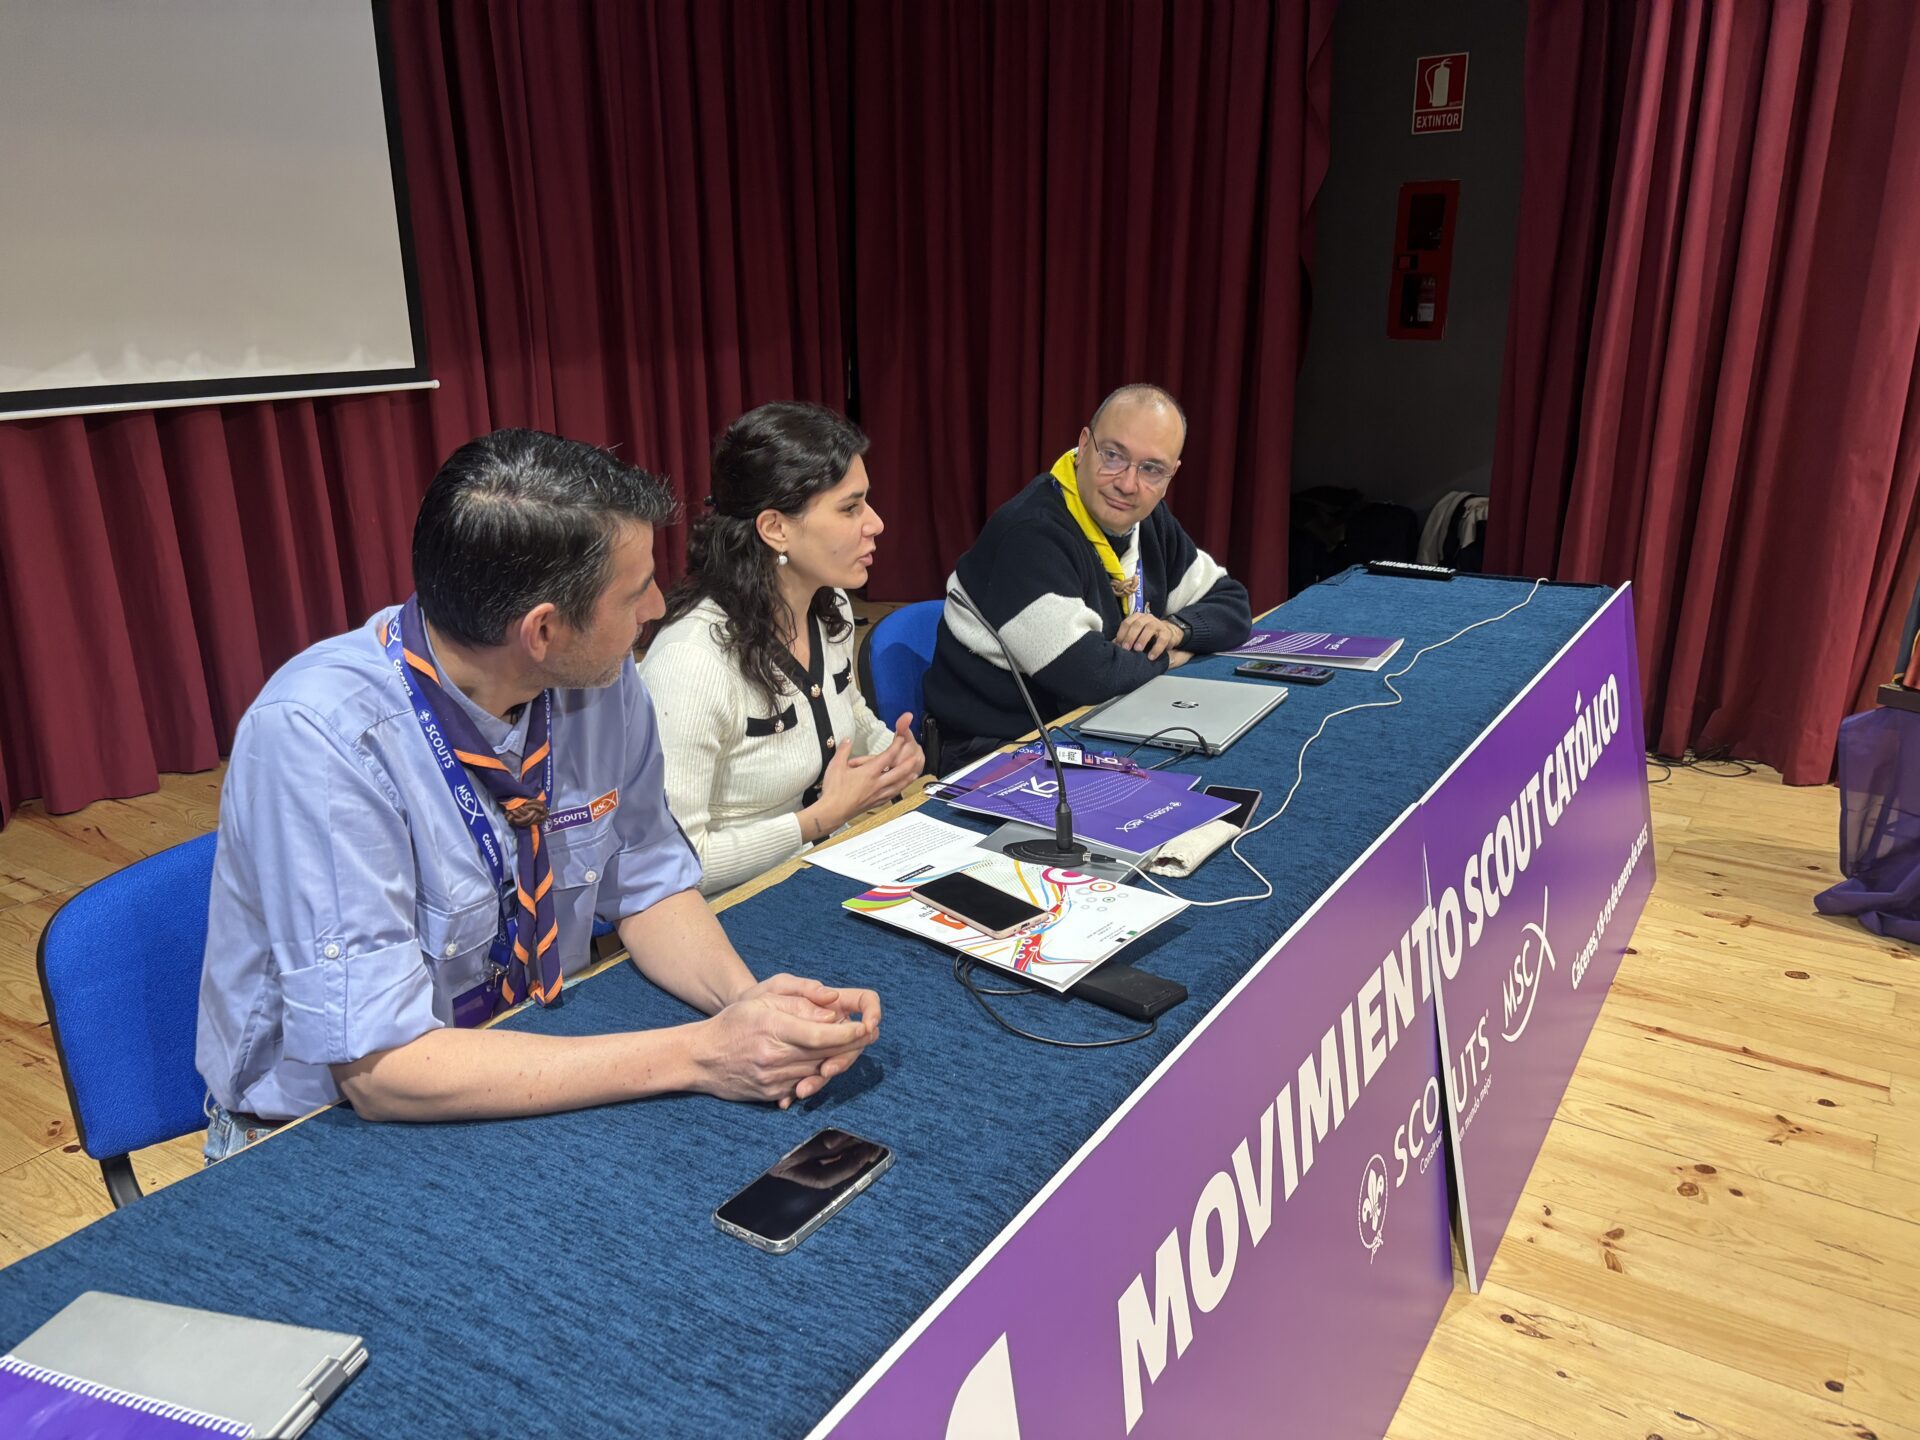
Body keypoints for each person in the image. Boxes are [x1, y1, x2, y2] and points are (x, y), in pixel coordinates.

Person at [195, 429, 879, 1161]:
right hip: (326, 1135)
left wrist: (748, 1010)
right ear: (542, 631)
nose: (656, 607)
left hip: (535, 1057)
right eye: (635, 591)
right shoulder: (322, 739)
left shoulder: (604, 684)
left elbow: (647, 884)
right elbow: (382, 1071)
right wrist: (703, 1054)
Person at [641, 402, 922, 896]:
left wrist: (892, 759)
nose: (875, 523)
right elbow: (675, 864)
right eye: (850, 508)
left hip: (824, 866)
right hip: (732, 909)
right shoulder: (691, 660)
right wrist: (817, 820)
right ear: (775, 528)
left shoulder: (828, 601)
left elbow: (846, 707)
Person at [924, 383, 1252, 766]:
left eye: (1151, 469)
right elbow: (1089, 677)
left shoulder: (1147, 520)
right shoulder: (1029, 533)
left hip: (1090, 723)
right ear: (1083, 445)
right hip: (997, 749)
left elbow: (1233, 604)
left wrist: (1174, 630)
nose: (1128, 484)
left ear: (1171, 476)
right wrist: (1169, 656)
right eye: (1113, 455)